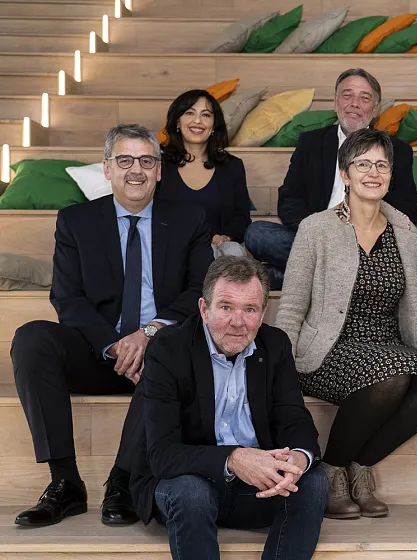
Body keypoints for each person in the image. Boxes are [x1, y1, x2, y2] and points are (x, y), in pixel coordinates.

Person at [11, 124, 213, 527]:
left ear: (159, 170)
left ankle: (122, 482)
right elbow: (67, 299)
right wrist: (116, 345)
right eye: (124, 160)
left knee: (168, 348)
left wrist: (148, 333)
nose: (135, 170)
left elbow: (198, 291)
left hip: (163, 356)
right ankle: (65, 483)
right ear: (107, 169)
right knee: (31, 338)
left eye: (146, 160)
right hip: (98, 352)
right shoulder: (75, 221)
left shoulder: (190, 219)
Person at [275, 128, 417, 520]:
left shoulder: (406, 231)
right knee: (389, 375)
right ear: (345, 173)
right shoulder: (316, 229)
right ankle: (329, 470)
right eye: (362, 164)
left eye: (381, 165)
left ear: (390, 174)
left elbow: (413, 310)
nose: (373, 173)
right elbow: (290, 306)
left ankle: (356, 465)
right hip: (329, 349)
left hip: (387, 346)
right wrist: (280, 368)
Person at [130, 256, 327, 560]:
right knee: (191, 494)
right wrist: (234, 459)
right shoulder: (169, 348)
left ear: (262, 314)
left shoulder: (275, 345)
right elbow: (162, 455)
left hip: (256, 489)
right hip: (187, 486)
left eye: (249, 309)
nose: (238, 322)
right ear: (203, 309)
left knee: (313, 481)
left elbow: (295, 419)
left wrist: (298, 459)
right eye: (226, 307)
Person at [246, 68, 417, 288]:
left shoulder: (396, 150)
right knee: (258, 233)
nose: (354, 103)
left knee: (394, 251)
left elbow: (407, 209)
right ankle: (345, 278)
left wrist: (363, 235)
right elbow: (290, 197)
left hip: (368, 243)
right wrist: (318, 233)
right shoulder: (311, 143)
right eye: (347, 95)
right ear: (336, 102)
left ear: (375, 109)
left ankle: (296, 278)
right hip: (315, 239)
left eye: (364, 98)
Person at [156, 89, 251, 258]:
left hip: (218, 246)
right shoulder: (160, 164)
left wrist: (226, 236)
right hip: (173, 246)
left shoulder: (232, 166)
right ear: (177, 122)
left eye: (206, 115)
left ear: (214, 125)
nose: (198, 121)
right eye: (189, 113)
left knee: (234, 252)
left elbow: (241, 217)